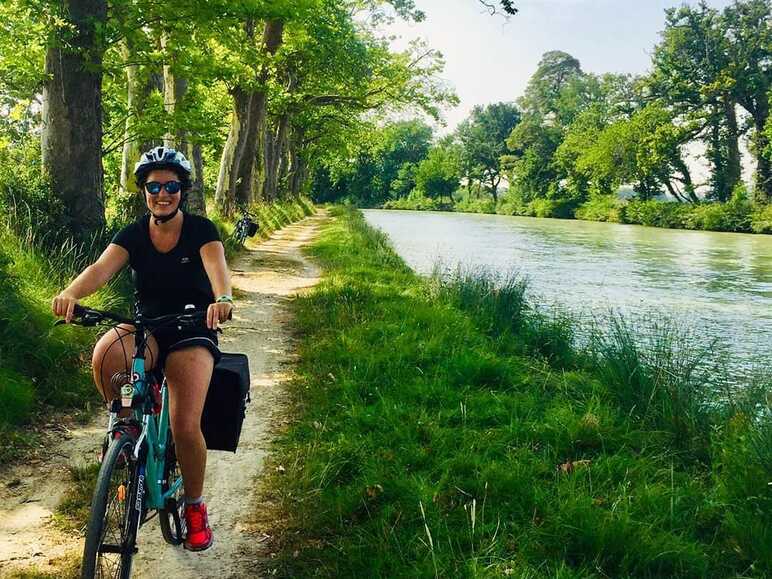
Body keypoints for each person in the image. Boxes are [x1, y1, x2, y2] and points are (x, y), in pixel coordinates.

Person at [52, 146, 232, 551]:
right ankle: (125, 437)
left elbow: (217, 271)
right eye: (154, 186)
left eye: (170, 186)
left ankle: (194, 506)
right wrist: (70, 293)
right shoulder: (134, 233)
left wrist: (223, 299)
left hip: (191, 327)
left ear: (182, 190)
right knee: (106, 354)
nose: (162, 194)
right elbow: (100, 268)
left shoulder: (202, 231)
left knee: (185, 426)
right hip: (147, 325)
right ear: (144, 191)